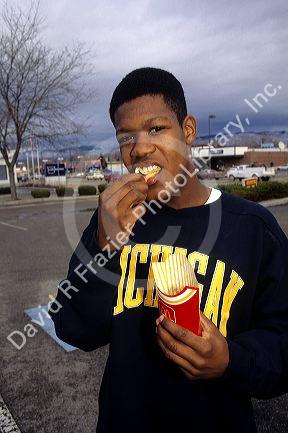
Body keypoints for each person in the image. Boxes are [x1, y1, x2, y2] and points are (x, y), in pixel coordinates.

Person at [49, 67, 288, 433]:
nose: (140, 148)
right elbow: (73, 328)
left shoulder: (253, 228)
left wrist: (230, 360)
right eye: (125, 137)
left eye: (156, 128)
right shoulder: (115, 222)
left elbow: (282, 341)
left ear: (188, 130)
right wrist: (104, 244)